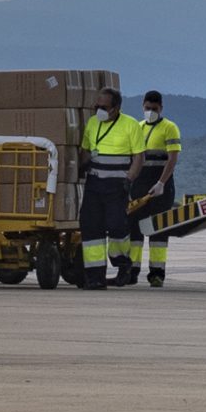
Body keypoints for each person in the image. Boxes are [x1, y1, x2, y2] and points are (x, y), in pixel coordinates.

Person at [78, 87, 143, 289]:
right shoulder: (92, 123)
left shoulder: (131, 125)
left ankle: (122, 262)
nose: (99, 110)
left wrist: (129, 179)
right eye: (97, 106)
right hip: (94, 184)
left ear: (116, 108)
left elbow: (139, 158)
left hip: (117, 186)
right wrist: (79, 166)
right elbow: (86, 151)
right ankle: (95, 277)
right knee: (90, 228)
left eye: (104, 107)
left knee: (116, 226)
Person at [129, 90, 183, 287]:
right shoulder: (138, 127)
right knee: (134, 231)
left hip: (161, 186)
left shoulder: (170, 128)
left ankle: (157, 273)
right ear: (142, 106)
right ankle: (131, 271)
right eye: (147, 108)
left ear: (161, 108)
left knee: (158, 232)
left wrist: (161, 183)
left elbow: (173, 159)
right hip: (139, 185)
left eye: (154, 109)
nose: (150, 111)